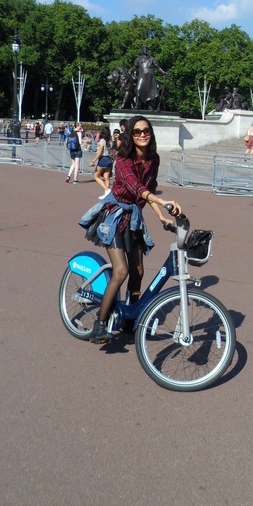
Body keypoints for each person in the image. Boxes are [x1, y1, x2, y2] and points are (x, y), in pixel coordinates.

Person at [84, 116, 182, 343]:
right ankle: (99, 325)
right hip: (113, 216)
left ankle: (130, 318)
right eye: (137, 132)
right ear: (130, 135)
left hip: (133, 218)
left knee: (138, 271)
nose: (142, 135)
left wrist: (162, 217)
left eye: (146, 131)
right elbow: (136, 187)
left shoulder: (154, 159)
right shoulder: (123, 160)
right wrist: (164, 202)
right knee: (121, 271)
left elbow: (149, 190)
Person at [131, 45, 165, 110]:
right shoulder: (138, 59)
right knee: (138, 89)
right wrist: (131, 72)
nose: (145, 50)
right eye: (144, 49)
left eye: (146, 49)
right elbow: (134, 67)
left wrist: (164, 72)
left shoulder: (151, 58)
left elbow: (158, 67)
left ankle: (149, 105)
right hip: (142, 76)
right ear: (142, 50)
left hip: (150, 77)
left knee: (150, 91)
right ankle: (138, 104)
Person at [89, 127, 114, 199]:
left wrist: (93, 161)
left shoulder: (102, 141)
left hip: (103, 159)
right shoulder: (110, 141)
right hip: (109, 159)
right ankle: (106, 194)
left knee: (96, 176)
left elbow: (100, 152)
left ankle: (107, 190)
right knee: (106, 178)